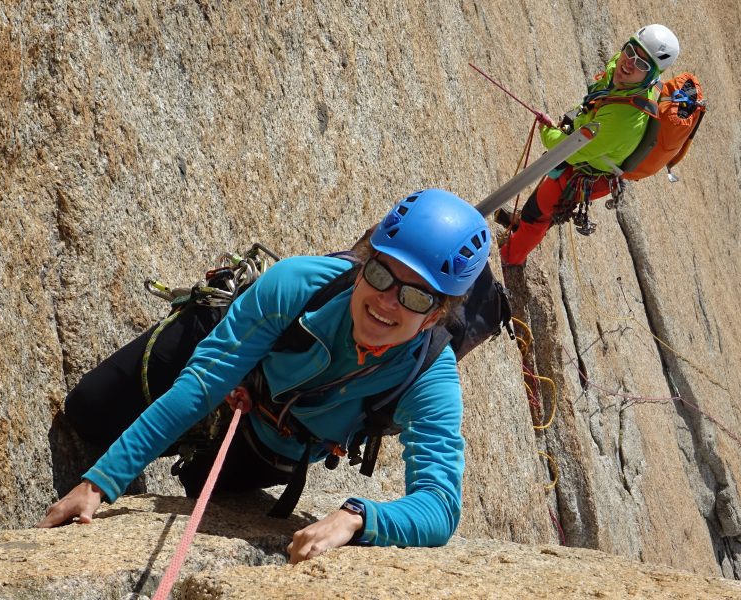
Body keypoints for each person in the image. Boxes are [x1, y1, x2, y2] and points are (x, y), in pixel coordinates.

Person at [37, 188, 492, 565]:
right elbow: (203, 383)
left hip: (274, 436)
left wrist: (358, 517)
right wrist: (100, 482)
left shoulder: (429, 377)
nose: (388, 301)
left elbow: (439, 505)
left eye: (414, 297)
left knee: (208, 488)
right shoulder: (299, 285)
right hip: (223, 360)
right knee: (90, 412)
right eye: (379, 273)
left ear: (434, 317)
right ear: (363, 265)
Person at [498, 24, 680, 265]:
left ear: (652, 75)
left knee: (538, 212)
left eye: (642, 64)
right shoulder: (622, 68)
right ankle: (522, 224)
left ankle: (510, 258)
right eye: (631, 51)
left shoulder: (624, 121)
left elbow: (568, 152)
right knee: (543, 199)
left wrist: (547, 131)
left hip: (589, 172)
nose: (629, 63)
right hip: (588, 148)